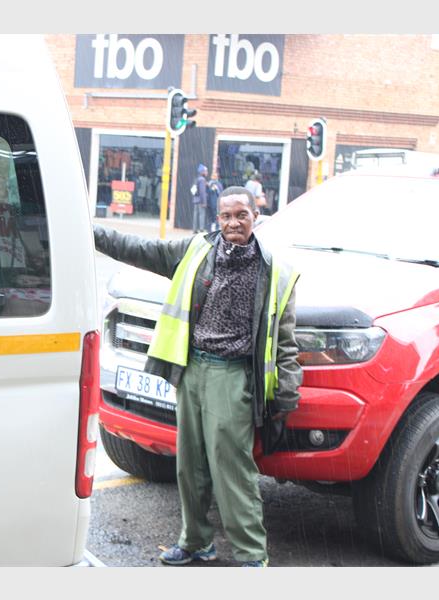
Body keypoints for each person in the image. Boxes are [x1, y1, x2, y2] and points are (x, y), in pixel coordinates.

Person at [93, 186, 302, 567]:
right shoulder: (196, 252)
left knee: (232, 468)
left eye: (241, 215)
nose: (233, 223)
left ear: (256, 217)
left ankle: (251, 554)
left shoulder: (275, 273)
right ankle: (195, 543)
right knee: (189, 465)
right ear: (217, 219)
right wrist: (88, 231)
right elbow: (137, 248)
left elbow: (286, 344)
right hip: (192, 371)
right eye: (227, 216)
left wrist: (286, 397)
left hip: (231, 377)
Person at [192, 164, 209, 232]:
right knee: (201, 215)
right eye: (206, 171)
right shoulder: (202, 180)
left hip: (196, 200)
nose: (207, 172)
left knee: (195, 215)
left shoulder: (197, 179)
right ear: (202, 172)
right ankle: (201, 229)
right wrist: (204, 202)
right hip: (200, 201)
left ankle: (194, 229)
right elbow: (202, 192)